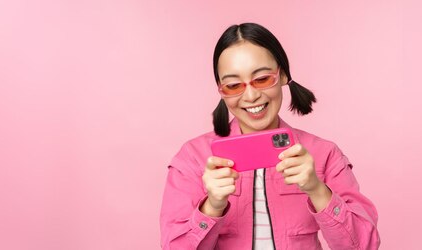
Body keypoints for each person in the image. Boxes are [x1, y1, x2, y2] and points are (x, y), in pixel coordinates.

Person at [160, 22, 380, 250]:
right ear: (221, 90)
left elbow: (364, 245)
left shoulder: (324, 154)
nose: (252, 95)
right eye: (234, 85)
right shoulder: (193, 158)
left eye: (262, 79)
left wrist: (317, 189)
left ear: (283, 75)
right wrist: (212, 206)